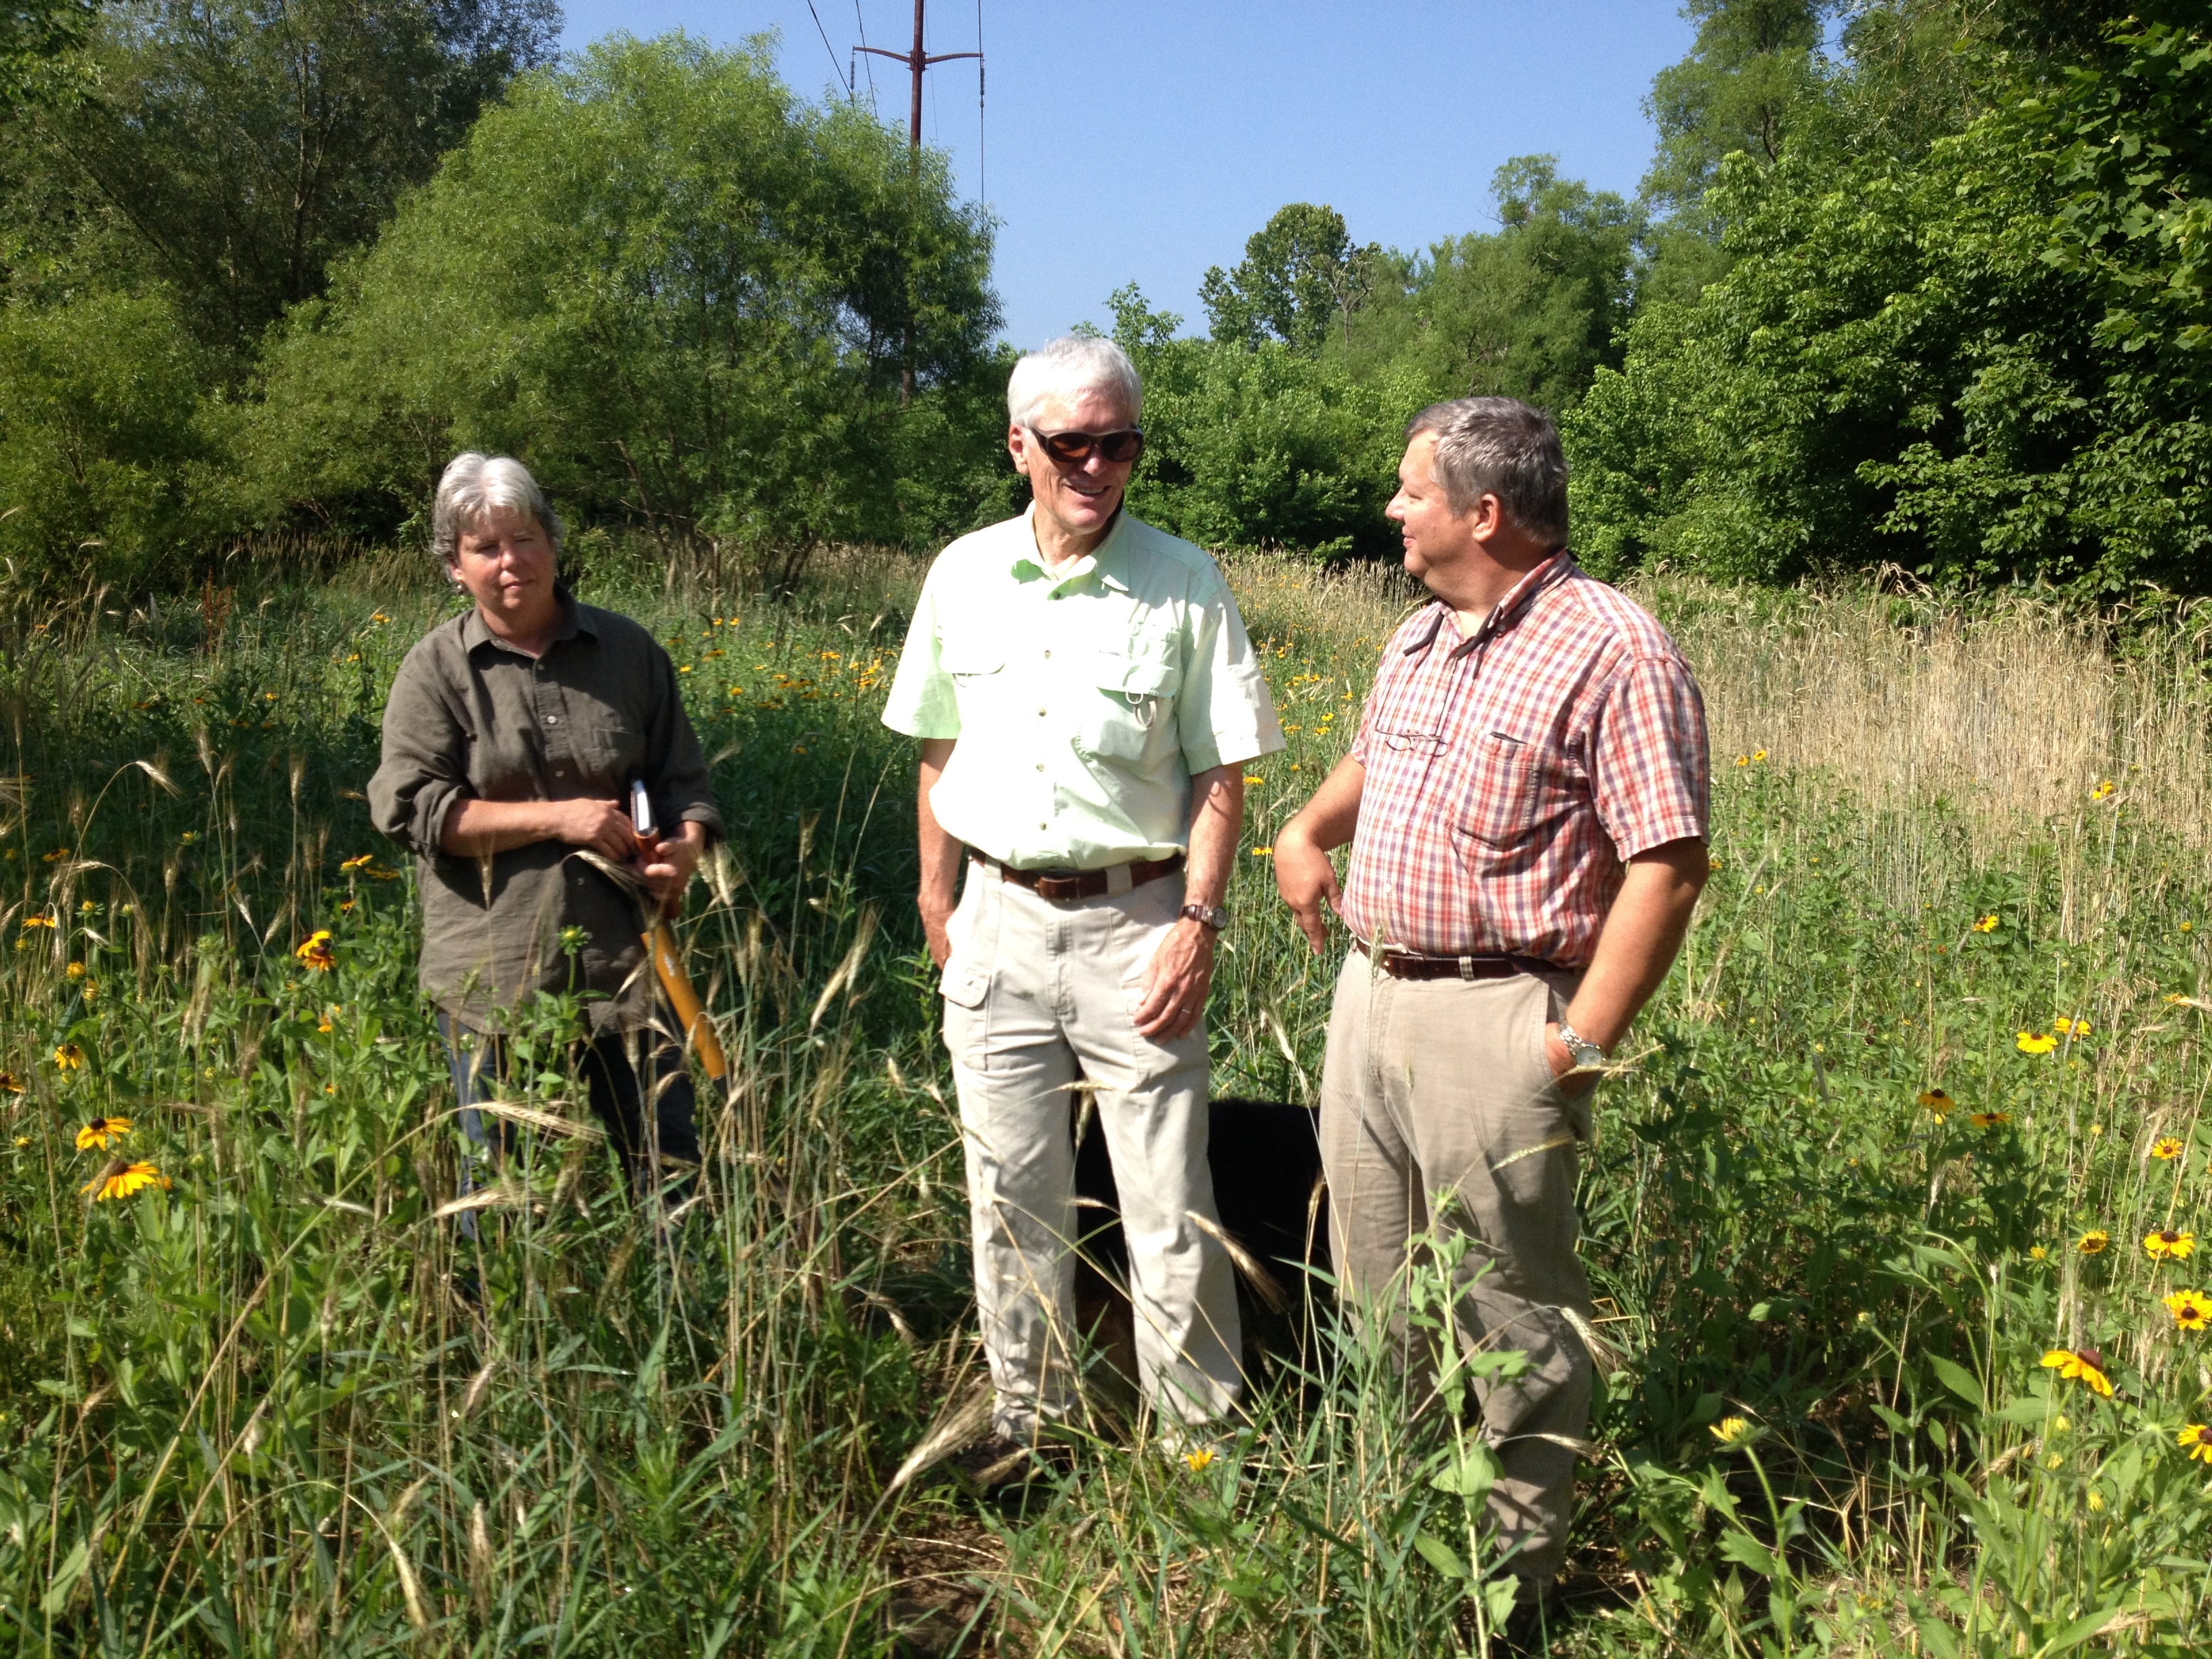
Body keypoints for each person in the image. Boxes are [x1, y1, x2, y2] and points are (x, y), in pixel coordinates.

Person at [1271, 397, 1709, 1612]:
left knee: (1508, 1313)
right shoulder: (1419, 635)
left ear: (1482, 512)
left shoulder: (1615, 649)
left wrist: (1573, 1046)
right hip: (1370, 995)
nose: (1391, 510)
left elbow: (1667, 864)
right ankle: (1402, 1551)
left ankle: (1507, 1594)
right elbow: (1377, 760)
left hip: (1499, 1018)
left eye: (1410, 492)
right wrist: (1305, 827)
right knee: (1375, 1295)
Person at [882, 335, 1284, 1479]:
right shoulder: (961, 575)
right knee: (1011, 1196)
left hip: (1138, 929)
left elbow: (1220, 772)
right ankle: (1031, 1427)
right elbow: (937, 748)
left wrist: (1197, 923)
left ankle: (1198, 1449)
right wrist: (937, 899)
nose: (1097, 466)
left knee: (1167, 1202)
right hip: (995, 922)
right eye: (1073, 444)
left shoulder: (1184, 581)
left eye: (1120, 444)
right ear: (1019, 445)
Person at [369, 453, 724, 1202]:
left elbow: (683, 783)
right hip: (493, 979)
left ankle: (680, 1282)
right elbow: (411, 809)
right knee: (503, 1192)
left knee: (671, 1174)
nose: (510, 562)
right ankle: (504, 1282)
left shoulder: (629, 652)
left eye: (524, 538)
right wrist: (561, 819)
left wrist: (685, 849)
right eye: (485, 548)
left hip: (629, 965)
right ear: (454, 567)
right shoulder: (435, 671)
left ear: (554, 543)